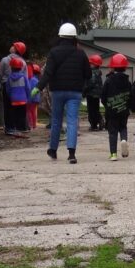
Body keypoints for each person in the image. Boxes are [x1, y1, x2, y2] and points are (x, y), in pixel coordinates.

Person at [34, 22, 90, 163]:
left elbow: (48, 73)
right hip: (75, 92)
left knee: (56, 121)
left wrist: (38, 88)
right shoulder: (81, 53)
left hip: (57, 91)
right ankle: (71, 154)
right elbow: (88, 74)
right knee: (72, 121)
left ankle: (53, 150)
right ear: (74, 37)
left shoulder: (54, 52)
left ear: (60, 37)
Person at [101, 53, 132, 161]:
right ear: (125, 67)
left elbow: (103, 96)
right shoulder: (127, 81)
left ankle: (113, 154)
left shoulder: (109, 80)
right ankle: (123, 140)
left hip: (112, 111)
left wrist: (107, 105)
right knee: (123, 127)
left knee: (112, 132)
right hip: (124, 110)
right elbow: (130, 95)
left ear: (113, 67)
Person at [0, 41, 27, 135]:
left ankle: (9, 128)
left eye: (13, 46)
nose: (11, 46)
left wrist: (1, 83)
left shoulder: (5, 60)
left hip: (7, 84)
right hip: (20, 86)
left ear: (15, 49)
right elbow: (25, 75)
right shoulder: (23, 62)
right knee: (19, 107)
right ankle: (19, 127)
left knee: (8, 107)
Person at [6, 57, 29, 136]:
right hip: (23, 99)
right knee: (22, 114)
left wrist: (11, 97)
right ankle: (22, 128)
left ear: (11, 67)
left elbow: (8, 90)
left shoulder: (9, 78)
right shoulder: (24, 77)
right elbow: (28, 88)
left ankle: (15, 129)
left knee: (15, 114)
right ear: (20, 67)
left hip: (13, 100)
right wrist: (27, 97)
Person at [85, 54, 105, 131]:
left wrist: (84, 91)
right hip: (97, 94)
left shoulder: (92, 73)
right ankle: (98, 121)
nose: (89, 64)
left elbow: (90, 84)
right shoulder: (98, 73)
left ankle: (94, 124)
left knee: (91, 110)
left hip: (91, 94)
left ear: (94, 64)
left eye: (91, 63)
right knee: (96, 109)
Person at [26, 64, 42, 129]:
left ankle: (31, 124)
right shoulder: (37, 79)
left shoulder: (31, 79)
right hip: (36, 99)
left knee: (29, 111)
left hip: (31, 98)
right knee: (34, 111)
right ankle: (34, 125)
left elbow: (29, 89)